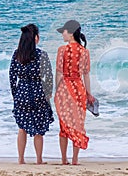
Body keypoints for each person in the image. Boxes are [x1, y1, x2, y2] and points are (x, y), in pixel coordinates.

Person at [9, 24, 54, 164]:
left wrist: (15, 94)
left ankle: (21, 159)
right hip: (38, 93)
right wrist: (48, 93)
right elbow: (49, 76)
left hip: (21, 93)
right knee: (39, 129)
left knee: (22, 127)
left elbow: (11, 76)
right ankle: (39, 160)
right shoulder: (41, 55)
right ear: (36, 38)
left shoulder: (17, 55)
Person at [54, 20, 94, 165]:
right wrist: (89, 94)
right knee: (78, 123)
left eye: (63, 32)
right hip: (79, 89)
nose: (62, 35)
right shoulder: (85, 52)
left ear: (70, 33)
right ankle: (75, 159)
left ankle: (64, 159)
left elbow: (59, 73)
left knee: (64, 125)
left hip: (65, 89)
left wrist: (56, 91)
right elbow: (86, 75)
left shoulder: (62, 50)